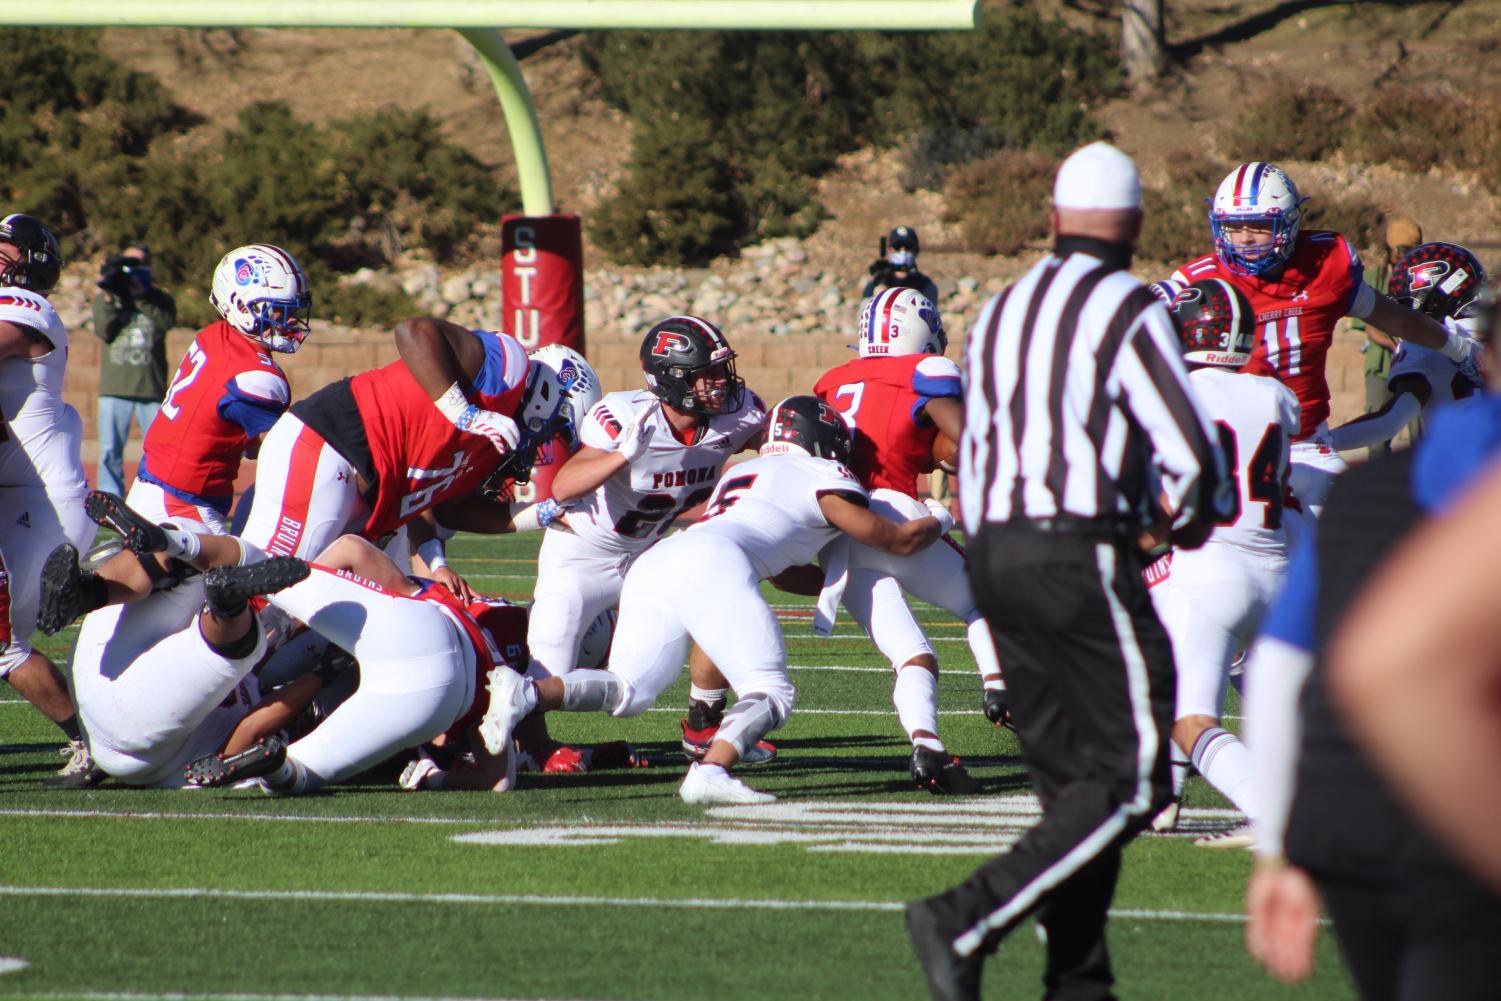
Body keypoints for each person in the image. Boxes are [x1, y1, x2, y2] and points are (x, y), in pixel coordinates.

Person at [907, 142, 1229, 1001]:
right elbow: (1194, 458)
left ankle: (1077, 982)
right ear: (1133, 229)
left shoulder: (1008, 306)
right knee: (1133, 778)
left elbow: (971, 439)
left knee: (1071, 790)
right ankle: (961, 916)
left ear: (1052, 220)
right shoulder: (1128, 305)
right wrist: (1171, 530)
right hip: (1077, 551)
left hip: (996, 553)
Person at [478, 395, 947, 805]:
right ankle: (710, 772)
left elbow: (782, 575)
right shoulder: (822, 472)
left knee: (627, 691)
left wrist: (836, 587)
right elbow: (895, 540)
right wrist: (940, 519)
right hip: (712, 560)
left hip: (665, 557)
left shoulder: (745, 471)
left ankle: (525, 692)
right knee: (771, 691)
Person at [1242, 385, 1501, 996]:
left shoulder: (1369, 488)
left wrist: (1280, 848)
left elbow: (1279, 667)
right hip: (1457, 822)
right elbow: (1391, 667)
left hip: (1345, 818)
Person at [1170, 163, 1474, 518]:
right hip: (1232, 450)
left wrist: (1458, 348)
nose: (1246, 239)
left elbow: (1390, 315)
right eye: (1234, 228)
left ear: (1289, 224)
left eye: (1259, 227)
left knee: (1348, 551)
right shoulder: (1198, 287)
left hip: (1307, 447)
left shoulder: (1325, 266)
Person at [523, 315, 766, 756]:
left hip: (649, 557)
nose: (719, 384)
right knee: (547, 678)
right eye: (705, 375)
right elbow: (562, 487)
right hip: (582, 555)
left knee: (717, 607)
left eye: (720, 370)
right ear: (671, 380)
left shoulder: (739, 412)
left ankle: (705, 724)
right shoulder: (625, 417)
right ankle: (525, 740)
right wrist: (621, 457)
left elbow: (774, 446)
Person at [813, 285, 1006, 793]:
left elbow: (877, 439)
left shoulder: (832, 381)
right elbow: (966, 440)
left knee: (913, 656)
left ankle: (928, 747)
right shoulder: (927, 371)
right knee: (984, 602)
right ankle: (1001, 688)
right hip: (894, 510)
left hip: (840, 535)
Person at [240, 317, 595, 571]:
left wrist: (541, 514)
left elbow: (445, 510)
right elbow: (414, 330)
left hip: (368, 496)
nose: (545, 446)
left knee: (383, 611)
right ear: (548, 397)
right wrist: (465, 412)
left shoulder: (494, 446)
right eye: (556, 430)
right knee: (268, 587)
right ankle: (189, 558)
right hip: (329, 447)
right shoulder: (506, 369)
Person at [1145, 278, 1299, 848]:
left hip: (1210, 566)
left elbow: (1178, 488)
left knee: (1190, 719)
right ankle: (1164, 800)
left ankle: (1270, 812)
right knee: (1201, 690)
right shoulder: (1276, 395)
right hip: (1275, 568)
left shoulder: (1179, 394)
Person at [0, 212, 100, 784]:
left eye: (4, 251)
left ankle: (93, 743)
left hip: (38, 502)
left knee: (4, 643)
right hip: (12, 495)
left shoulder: (31, 310)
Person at [128, 243, 308, 534]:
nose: (288, 320)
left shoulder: (215, 335)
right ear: (241, 305)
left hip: (155, 485)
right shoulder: (257, 376)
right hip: (182, 506)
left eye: (293, 309)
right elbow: (283, 451)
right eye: (278, 310)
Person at [1330, 241, 1485, 454]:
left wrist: (1325, 442)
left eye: (1406, 304)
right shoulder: (1487, 326)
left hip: (1460, 471)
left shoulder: (1420, 347)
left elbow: (1389, 423)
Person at [92, 242, 176, 497]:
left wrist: (141, 295)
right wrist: (110, 294)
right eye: (127, 263)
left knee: (158, 449)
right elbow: (103, 330)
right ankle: (110, 497)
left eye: (139, 264)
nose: (132, 270)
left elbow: (166, 323)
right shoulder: (109, 296)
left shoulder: (159, 299)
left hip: (150, 387)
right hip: (115, 387)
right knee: (110, 449)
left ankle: (154, 494)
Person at [1348, 216, 1421, 455]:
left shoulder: (1422, 280)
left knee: (1420, 432)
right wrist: (1396, 346)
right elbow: (1371, 327)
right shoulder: (1375, 279)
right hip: (1381, 365)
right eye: (1398, 251)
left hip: (1416, 365)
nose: (1402, 257)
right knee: (1378, 435)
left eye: (1409, 251)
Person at [862, 225, 939, 303]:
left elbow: (931, 311)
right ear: (889, 250)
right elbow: (863, 311)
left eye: (908, 248)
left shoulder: (924, 284)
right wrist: (874, 299)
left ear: (916, 250)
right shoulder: (876, 282)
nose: (903, 252)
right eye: (897, 247)